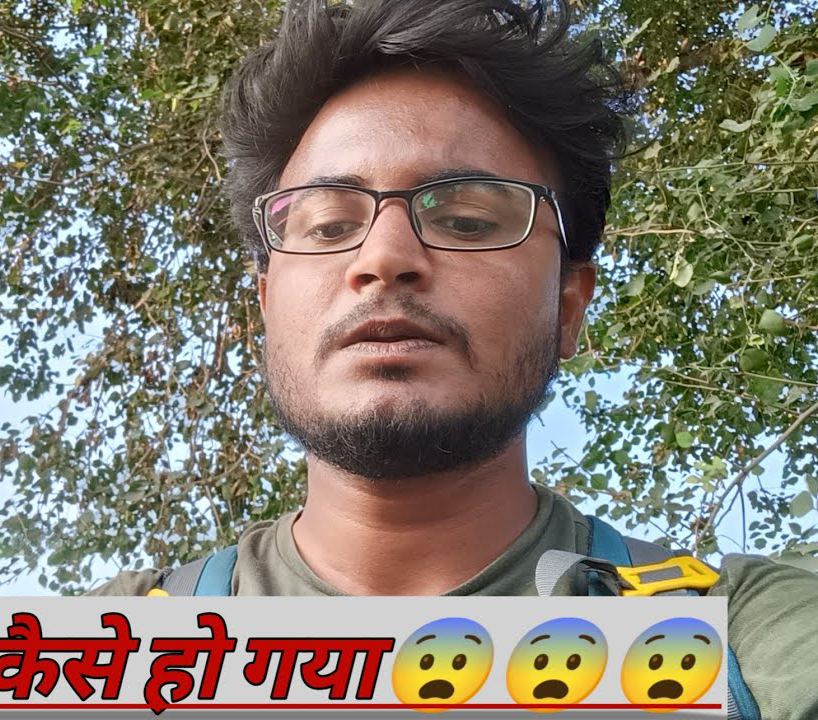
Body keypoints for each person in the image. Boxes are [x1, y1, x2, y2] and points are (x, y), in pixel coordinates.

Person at [87, 0, 818, 716]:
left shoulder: (739, 635)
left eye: (467, 220)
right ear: (268, 305)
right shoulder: (99, 653)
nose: (384, 258)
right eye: (329, 223)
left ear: (568, 306)